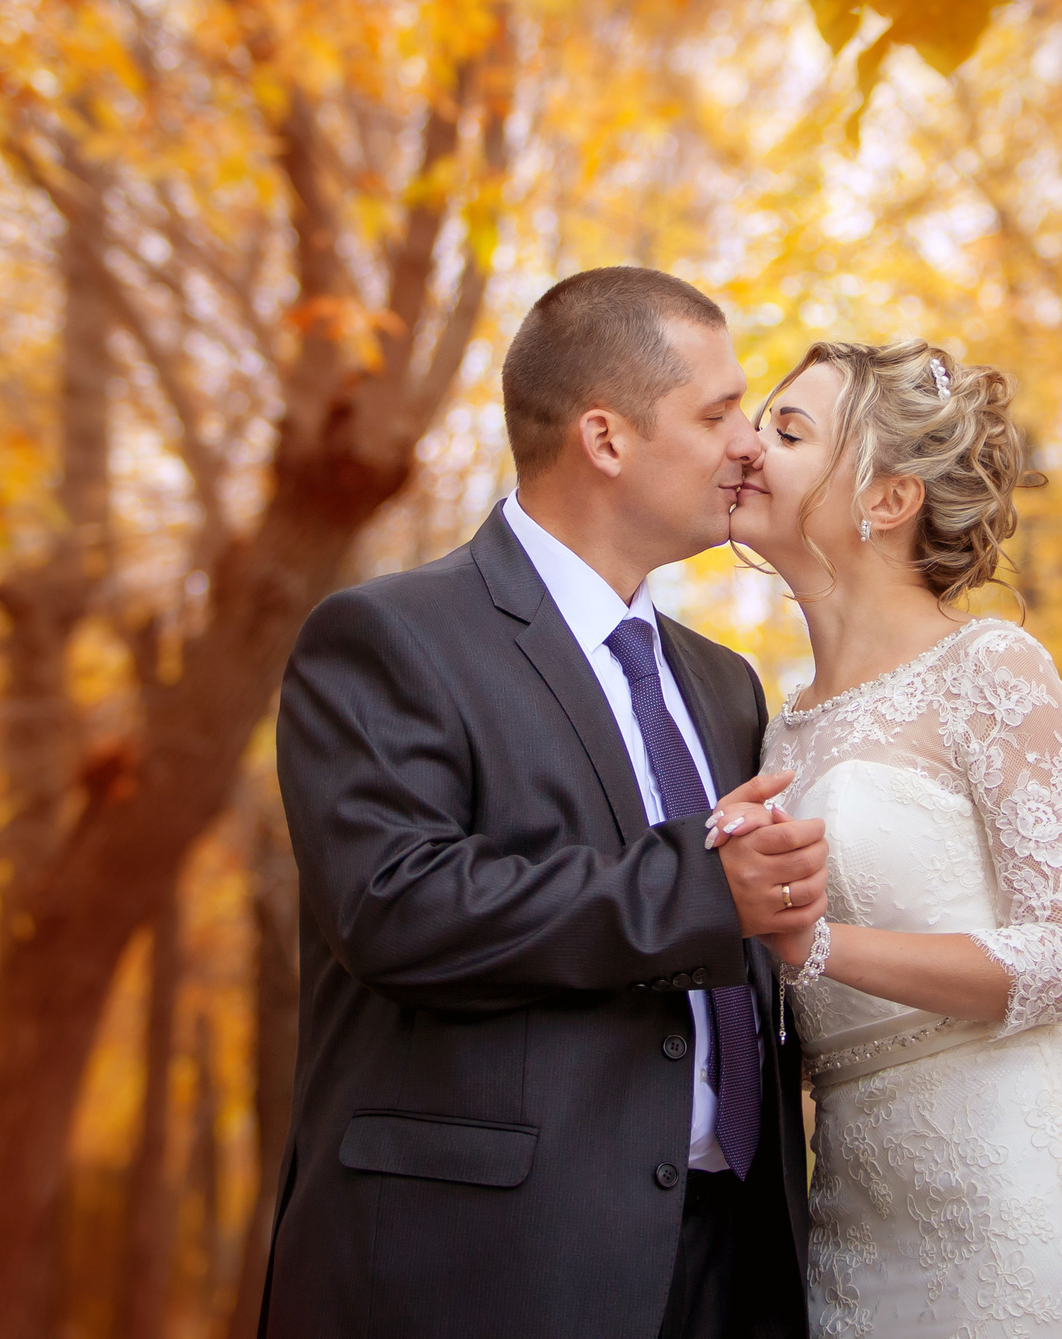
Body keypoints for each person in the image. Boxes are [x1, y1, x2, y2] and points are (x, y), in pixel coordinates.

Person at [269, 267, 822, 1339]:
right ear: (606, 438)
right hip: (492, 1269)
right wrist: (700, 886)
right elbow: (395, 902)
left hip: (736, 1267)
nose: (746, 444)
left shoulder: (724, 684)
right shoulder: (389, 638)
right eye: (716, 414)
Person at [711, 340, 1062, 1339]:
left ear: (888, 497)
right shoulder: (778, 725)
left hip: (1007, 1191)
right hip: (852, 1211)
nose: (746, 445)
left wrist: (818, 944)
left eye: (787, 430)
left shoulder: (991, 668)